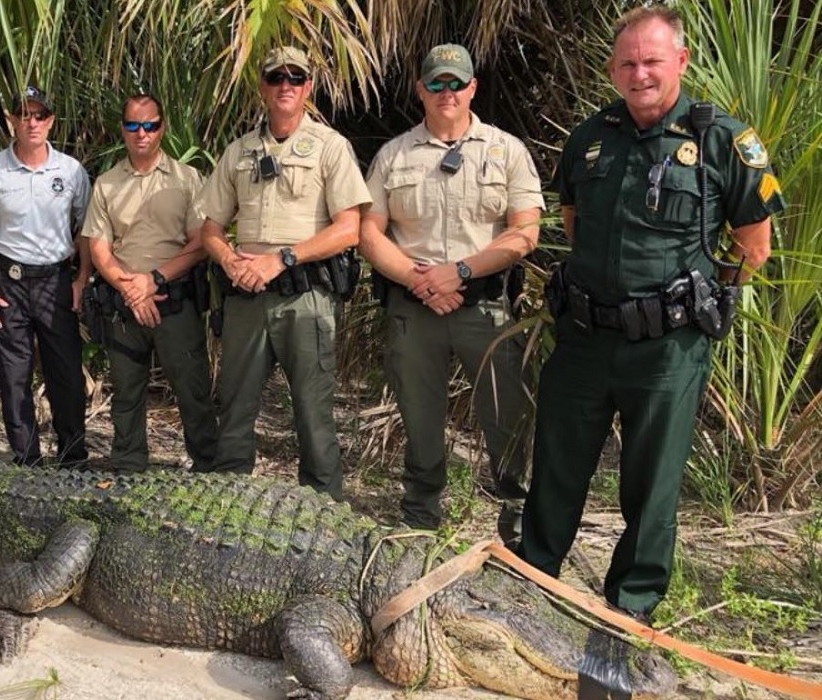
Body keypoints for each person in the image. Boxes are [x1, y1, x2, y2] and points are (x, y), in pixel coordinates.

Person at [518, 6, 783, 620]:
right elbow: (574, 223)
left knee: (652, 481)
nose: (640, 73)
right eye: (628, 63)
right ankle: (530, 581)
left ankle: (628, 609)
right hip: (585, 337)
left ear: (680, 63)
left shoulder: (723, 141)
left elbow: (754, 246)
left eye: (652, 61)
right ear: (613, 70)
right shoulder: (589, 138)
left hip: (667, 348)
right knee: (556, 466)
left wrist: (690, 300)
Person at [360, 44, 544, 539]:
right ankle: (420, 516)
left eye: (456, 83)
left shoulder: (506, 151)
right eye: (436, 83)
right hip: (414, 306)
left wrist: (459, 271)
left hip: (482, 306)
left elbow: (525, 232)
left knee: (506, 413)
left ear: (472, 88)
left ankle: (517, 516)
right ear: (420, 89)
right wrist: (419, 280)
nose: (447, 92)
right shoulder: (392, 155)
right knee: (419, 414)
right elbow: (369, 233)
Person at [196, 47, 371, 500]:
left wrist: (283, 259)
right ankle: (228, 501)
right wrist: (230, 259)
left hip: (305, 298)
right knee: (234, 407)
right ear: (263, 86)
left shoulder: (330, 147)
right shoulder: (239, 151)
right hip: (247, 298)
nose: (286, 85)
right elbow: (211, 227)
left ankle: (322, 508)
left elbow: (349, 228)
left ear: (308, 87)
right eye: (276, 77)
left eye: (296, 77)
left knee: (313, 412)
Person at [82, 95, 219, 472]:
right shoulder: (107, 184)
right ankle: (128, 469)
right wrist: (129, 287)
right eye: (132, 125)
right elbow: (99, 249)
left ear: (162, 127)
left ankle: (209, 470)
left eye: (149, 125)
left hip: (174, 301)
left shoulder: (187, 179)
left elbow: (200, 243)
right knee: (126, 393)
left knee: (192, 391)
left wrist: (154, 279)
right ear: (122, 129)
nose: (141, 134)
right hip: (124, 305)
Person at [0, 86, 92, 467]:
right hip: (9, 285)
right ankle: (27, 462)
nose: (31, 122)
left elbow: (86, 228)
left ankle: (73, 460)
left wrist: (81, 279)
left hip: (56, 283)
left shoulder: (70, 171)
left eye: (39, 115)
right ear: (11, 121)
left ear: (50, 121)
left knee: (66, 374)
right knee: (13, 377)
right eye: (24, 114)